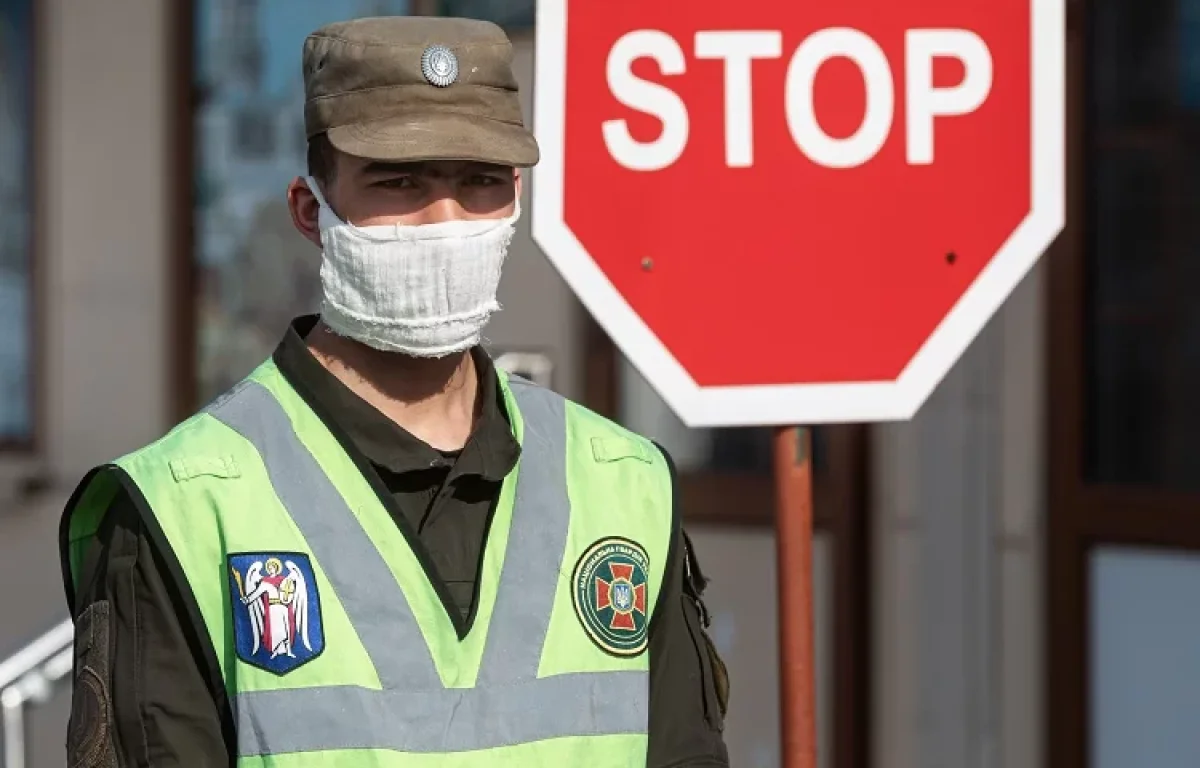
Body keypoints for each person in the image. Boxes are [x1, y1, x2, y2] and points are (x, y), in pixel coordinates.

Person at [59, 15, 730, 768]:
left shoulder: (626, 485)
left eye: (479, 182)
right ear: (312, 212)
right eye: (400, 181)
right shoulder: (181, 507)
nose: (446, 221)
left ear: (515, 197)